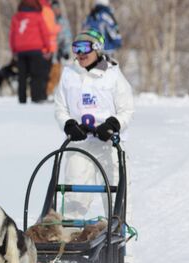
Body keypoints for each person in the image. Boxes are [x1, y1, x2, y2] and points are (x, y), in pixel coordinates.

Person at [54, 29, 134, 226]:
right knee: (74, 197)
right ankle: (69, 247)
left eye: (84, 48)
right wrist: (69, 124)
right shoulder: (69, 74)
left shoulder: (113, 75)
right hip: (80, 145)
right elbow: (60, 108)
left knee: (117, 198)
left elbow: (126, 110)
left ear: (97, 49)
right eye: (76, 48)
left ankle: (123, 251)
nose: (79, 53)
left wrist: (113, 124)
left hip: (109, 145)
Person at [9, 0, 51, 103]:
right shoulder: (38, 16)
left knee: (22, 76)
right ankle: (36, 98)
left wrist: (14, 50)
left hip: (20, 50)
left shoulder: (16, 17)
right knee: (36, 75)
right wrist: (48, 48)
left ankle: (22, 99)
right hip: (35, 49)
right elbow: (44, 33)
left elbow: (12, 35)